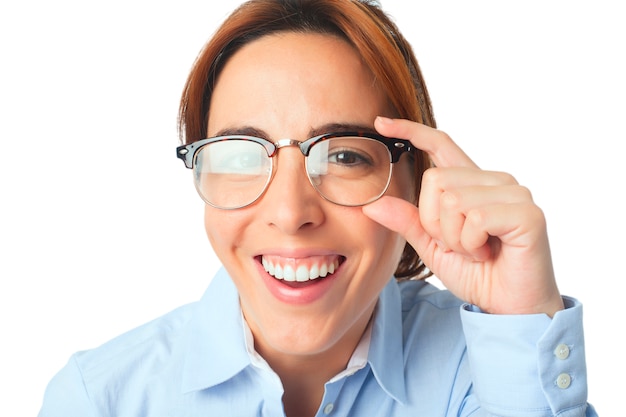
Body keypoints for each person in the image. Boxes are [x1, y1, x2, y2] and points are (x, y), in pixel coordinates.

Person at [37, 0, 598, 416]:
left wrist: (523, 319)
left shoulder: (493, 368)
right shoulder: (100, 399)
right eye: (241, 155)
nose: (289, 211)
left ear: (417, 181)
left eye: (346, 156)